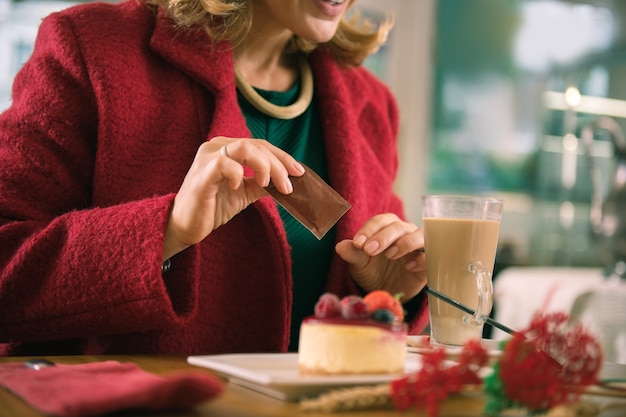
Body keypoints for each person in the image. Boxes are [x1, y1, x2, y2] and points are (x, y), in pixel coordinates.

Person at [0, 0, 429, 356]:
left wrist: (394, 300)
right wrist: (167, 230)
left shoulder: (371, 103)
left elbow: (379, 350)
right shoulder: (91, 46)